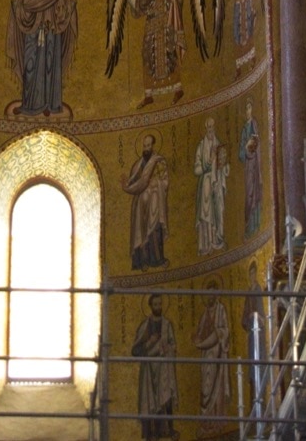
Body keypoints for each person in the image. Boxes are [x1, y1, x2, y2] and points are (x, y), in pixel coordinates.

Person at [3, 0, 82, 116]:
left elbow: (62, 17)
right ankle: (30, 105)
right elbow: (23, 16)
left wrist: (72, 0)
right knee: (31, 69)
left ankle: (50, 105)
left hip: (51, 37)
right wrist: (14, 0)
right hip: (32, 37)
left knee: (50, 68)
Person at [120, 0, 187, 109]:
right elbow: (139, 8)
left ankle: (178, 89)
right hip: (151, 24)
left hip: (168, 21)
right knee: (148, 55)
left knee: (170, 53)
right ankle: (149, 94)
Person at [131, 294, 179, 439]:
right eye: (156, 304)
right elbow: (135, 350)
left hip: (164, 368)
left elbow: (173, 345)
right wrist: (149, 342)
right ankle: (151, 434)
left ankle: (169, 430)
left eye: (160, 304)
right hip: (149, 370)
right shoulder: (145, 325)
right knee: (150, 402)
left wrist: (168, 348)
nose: (159, 307)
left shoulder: (167, 324)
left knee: (166, 398)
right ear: (150, 306)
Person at [122, 134, 170, 270]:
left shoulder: (159, 161)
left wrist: (156, 183)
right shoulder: (138, 165)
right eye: (144, 146)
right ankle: (141, 261)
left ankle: (156, 259)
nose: (146, 149)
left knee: (154, 230)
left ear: (153, 146)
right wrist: (127, 185)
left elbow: (165, 183)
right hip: (141, 204)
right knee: (140, 231)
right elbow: (133, 181)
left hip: (155, 200)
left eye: (149, 146)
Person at [194, 281, 231, 430]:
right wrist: (197, 339)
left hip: (217, 355)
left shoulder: (221, 310)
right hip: (206, 357)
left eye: (213, 293)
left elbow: (224, 330)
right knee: (206, 388)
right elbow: (200, 333)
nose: (210, 296)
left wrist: (218, 335)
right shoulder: (205, 313)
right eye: (208, 293)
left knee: (218, 387)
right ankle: (206, 422)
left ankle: (218, 422)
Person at [194, 118, 225, 255]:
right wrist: (208, 162)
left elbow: (221, 161)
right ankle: (206, 244)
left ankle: (216, 239)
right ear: (206, 129)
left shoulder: (217, 143)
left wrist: (223, 164)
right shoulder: (201, 147)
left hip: (216, 182)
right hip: (206, 184)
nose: (211, 130)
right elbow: (197, 169)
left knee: (217, 211)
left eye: (213, 127)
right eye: (209, 127)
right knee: (206, 215)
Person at [241, 262, 266, 404]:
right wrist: (248, 317)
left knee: (260, 365)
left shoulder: (258, 290)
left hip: (260, 335)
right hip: (251, 335)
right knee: (251, 368)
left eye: (253, 273)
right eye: (250, 273)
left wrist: (255, 315)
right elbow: (243, 318)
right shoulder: (248, 292)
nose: (252, 276)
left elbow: (262, 315)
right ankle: (252, 403)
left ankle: (262, 402)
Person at [238, 99, 263, 237]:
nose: (247, 111)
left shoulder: (255, 125)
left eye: (249, 108)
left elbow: (259, 144)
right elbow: (240, 153)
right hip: (248, 167)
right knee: (249, 195)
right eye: (246, 108)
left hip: (256, 165)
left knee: (256, 193)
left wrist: (254, 146)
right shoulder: (243, 129)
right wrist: (246, 148)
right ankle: (249, 226)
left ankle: (257, 224)